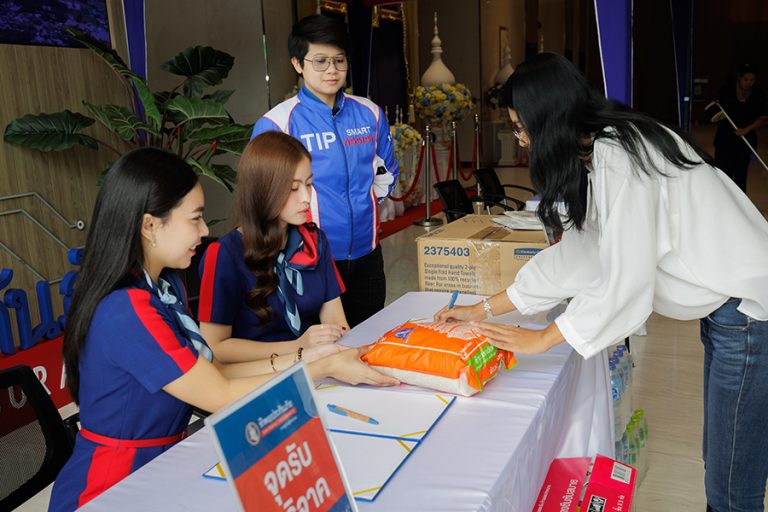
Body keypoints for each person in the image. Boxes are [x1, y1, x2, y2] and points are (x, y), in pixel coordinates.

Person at [435, 53, 768, 512]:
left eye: (520, 127)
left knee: (732, 485)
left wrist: (544, 339)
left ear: (545, 118)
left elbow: (625, 278)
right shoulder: (598, 150)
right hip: (731, 310)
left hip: (748, 311)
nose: (522, 140)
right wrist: (483, 309)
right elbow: (581, 252)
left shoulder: (619, 155)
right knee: (723, 465)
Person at [49, 148, 397, 511]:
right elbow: (219, 392)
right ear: (150, 225)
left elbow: (211, 371)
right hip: (111, 487)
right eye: (195, 218)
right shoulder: (127, 309)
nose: (204, 231)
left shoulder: (164, 287)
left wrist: (308, 357)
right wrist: (319, 367)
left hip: (164, 464)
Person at [251, 14, 399, 327]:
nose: (331, 70)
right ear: (297, 64)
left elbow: (387, 173)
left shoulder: (370, 113)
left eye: (339, 60)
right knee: (322, 348)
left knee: (369, 336)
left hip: (366, 254)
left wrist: (363, 208)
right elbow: (265, 198)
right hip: (306, 258)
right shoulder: (277, 123)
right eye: (319, 61)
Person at [198, 132, 349, 371]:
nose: (306, 199)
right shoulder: (224, 254)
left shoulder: (314, 240)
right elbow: (215, 346)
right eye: (292, 189)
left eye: (309, 185)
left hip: (318, 367)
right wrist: (298, 347)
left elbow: (336, 322)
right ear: (263, 190)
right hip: (257, 377)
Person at [713, 63, 767, 193]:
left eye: (752, 80)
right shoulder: (726, 91)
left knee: (740, 176)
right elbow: (715, 112)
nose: (749, 83)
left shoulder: (758, 95)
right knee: (723, 175)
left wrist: (747, 129)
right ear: (739, 77)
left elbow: (762, 118)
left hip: (745, 140)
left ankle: (739, 207)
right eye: (746, 79)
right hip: (725, 140)